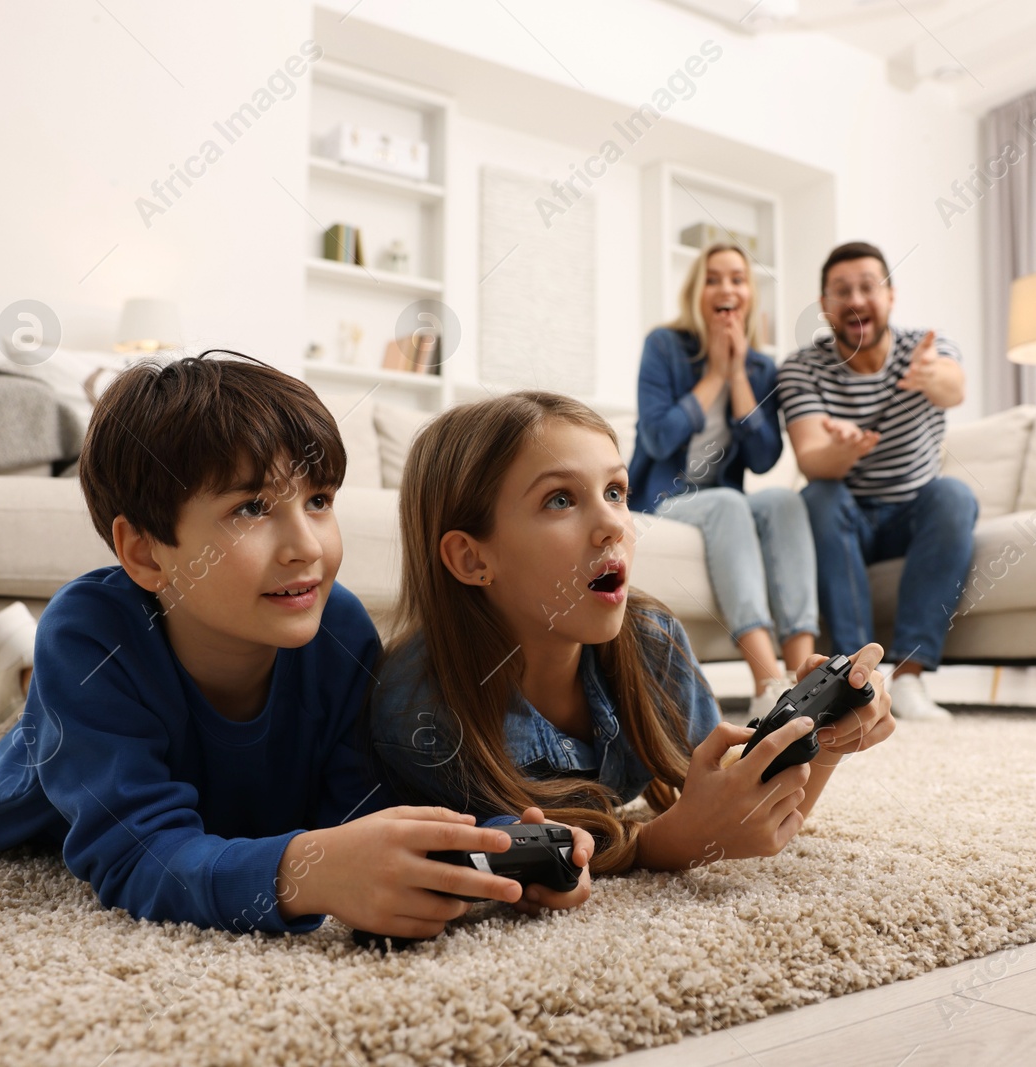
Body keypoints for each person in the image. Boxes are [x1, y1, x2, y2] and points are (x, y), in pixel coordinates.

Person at [0, 352, 591, 940]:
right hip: (44, 760)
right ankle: (17, 670)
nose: (307, 547)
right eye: (252, 508)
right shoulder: (91, 635)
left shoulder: (337, 628)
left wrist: (496, 844)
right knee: (30, 712)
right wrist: (303, 872)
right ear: (145, 552)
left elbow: (359, 810)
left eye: (318, 501)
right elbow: (136, 853)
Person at [370, 391, 894, 876]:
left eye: (615, 491)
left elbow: (745, 815)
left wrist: (821, 740)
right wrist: (658, 846)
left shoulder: (652, 639)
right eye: (559, 500)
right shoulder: (422, 715)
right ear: (472, 557)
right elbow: (499, 862)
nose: (615, 526)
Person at [778, 242, 979, 722]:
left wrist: (933, 376)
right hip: (847, 517)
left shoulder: (925, 347)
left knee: (954, 494)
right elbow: (811, 460)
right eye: (841, 291)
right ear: (825, 307)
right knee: (819, 496)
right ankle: (856, 676)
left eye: (868, 287)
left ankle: (909, 678)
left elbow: (954, 387)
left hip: (913, 515)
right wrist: (840, 452)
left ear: (889, 296)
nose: (856, 300)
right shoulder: (802, 367)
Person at [628, 242, 819, 720]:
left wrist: (737, 377)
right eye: (713, 278)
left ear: (749, 295)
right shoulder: (664, 347)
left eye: (737, 278)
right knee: (730, 503)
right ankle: (768, 684)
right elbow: (656, 437)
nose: (725, 287)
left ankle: (808, 681)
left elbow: (763, 456)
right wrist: (713, 373)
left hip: (720, 499)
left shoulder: (760, 368)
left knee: (782, 501)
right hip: (662, 500)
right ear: (697, 292)